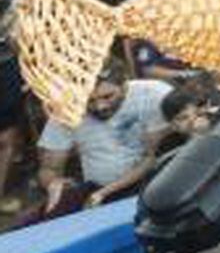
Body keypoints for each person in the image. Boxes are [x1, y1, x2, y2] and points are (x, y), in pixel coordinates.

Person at [35, 72, 171, 218]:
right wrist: (54, 185)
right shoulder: (67, 110)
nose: (100, 106)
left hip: (159, 184)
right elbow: (49, 169)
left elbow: (153, 157)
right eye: (89, 101)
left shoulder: (155, 94)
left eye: (108, 96)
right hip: (99, 194)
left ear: (125, 85)